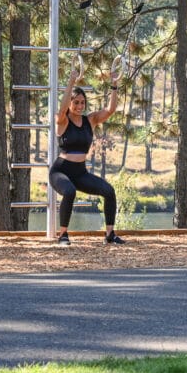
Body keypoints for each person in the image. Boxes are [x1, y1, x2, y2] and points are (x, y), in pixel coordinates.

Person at [50, 66, 123, 246]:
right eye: (76, 103)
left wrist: (114, 84)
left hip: (80, 173)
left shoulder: (90, 120)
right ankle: (63, 235)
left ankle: (109, 234)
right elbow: (62, 108)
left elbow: (111, 109)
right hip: (61, 171)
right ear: (70, 104)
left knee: (109, 191)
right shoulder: (62, 120)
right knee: (69, 191)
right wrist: (71, 82)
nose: (80, 106)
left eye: (82, 102)